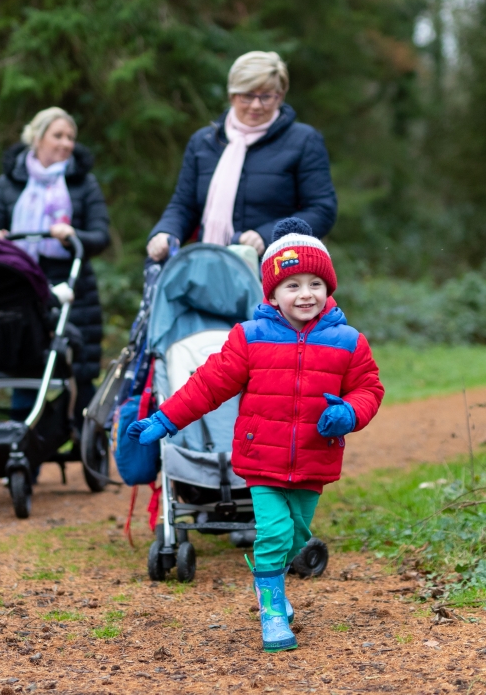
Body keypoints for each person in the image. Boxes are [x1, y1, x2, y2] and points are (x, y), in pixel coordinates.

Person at [126, 217, 384, 653]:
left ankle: (276, 590)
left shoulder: (348, 341)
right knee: (275, 532)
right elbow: (207, 385)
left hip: (313, 459)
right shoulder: (249, 338)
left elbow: (368, 388)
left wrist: (350, 413)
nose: (305, 294)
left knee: (299, 535)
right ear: (272, 292)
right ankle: (270, 607)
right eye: (292, 285)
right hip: (260, 460)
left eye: (315, 283)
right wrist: (165, 420)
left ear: (328, 286)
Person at [147, 51, 337, 262]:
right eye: (247, 95)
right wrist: (165, 232)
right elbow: (184, 205)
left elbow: (322, 211)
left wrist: (267, 236)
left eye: (266, 96)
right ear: (232, 95)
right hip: (208, 268)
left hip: (275, 271)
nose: (256, 105)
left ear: (280, 96)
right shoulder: (204, 142)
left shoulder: (304, 140)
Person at [0, 107, 110, 428]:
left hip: (72, 288)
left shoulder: (83, 184)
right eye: (58, 135)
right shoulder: (8, 183)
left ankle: (86, 437)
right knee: (24, 364)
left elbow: (100, 236)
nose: (66, 143)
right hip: (21, 282)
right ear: (37, 138)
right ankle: (23, 447)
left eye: (71, 137)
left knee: (77, 366)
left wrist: (73, 235)